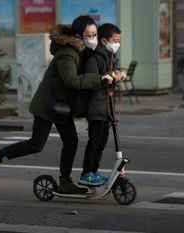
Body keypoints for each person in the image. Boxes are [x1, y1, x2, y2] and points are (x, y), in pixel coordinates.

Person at [0, 15, 122, 195]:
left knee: (71, 142)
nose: (94, 38)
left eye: (95, 34)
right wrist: (99, 79)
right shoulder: (67, 53)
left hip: (62, 105)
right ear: (78, 36)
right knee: (36, 145)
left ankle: (65, 182)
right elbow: (72, 81)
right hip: (47, 105)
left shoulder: (83, 51)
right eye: (90, 35)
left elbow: (96, 67)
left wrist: (113, 73)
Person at [79, 23, 125, 186]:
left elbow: (111, 72)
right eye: (115, 40)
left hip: (106, 106)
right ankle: (86, 173)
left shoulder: (111, 57)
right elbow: (91, 79)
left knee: (102, 142)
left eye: (119, 40)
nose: (117, 43)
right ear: (104, 41)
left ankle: (94, 171)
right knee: (95, 141)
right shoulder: (95, 57)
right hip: (95, 106)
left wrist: (118, 74)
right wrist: (106, 77)